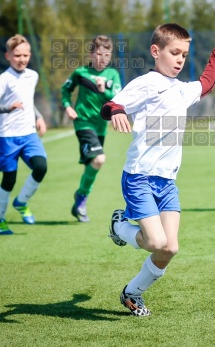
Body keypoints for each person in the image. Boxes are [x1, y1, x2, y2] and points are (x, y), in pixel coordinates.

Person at [101, 24, 215, 316]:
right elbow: (112, 104)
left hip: (167, 182)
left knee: (169, 248)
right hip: (139, 176)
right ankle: (119, 226)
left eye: (184, 55)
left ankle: (133, 293)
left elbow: (208, 81)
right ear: (156, 51)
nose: (179, 59)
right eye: (174, 52)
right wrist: (117, 112)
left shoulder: (182, 90)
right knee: (155, 242)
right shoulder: (147, 83)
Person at [0, 34, 48, 235]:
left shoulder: (33, 75)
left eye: (25, 55)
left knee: (41, 167)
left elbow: (28, 101)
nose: (21, 59)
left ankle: (21, 202)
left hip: (29, 134)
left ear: (29, 55)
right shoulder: (4, 79)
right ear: (8, 56)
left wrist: (39, 117)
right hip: (7, 137)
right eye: (17, 55)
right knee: (9, 180)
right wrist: (7, 108)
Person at [61, 35, 122, 222]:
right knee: (99, 159)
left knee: (93, 164)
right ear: (91, 53)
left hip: (100, 126)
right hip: (83, 122)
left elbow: (117, 99)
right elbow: (65, 90)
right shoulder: (80, 72)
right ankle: (82, 198)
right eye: (99, 53)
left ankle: (80, 196)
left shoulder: (112, 75)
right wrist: (68, 106)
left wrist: (105, 91)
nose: (103, 58)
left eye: (107, 54)